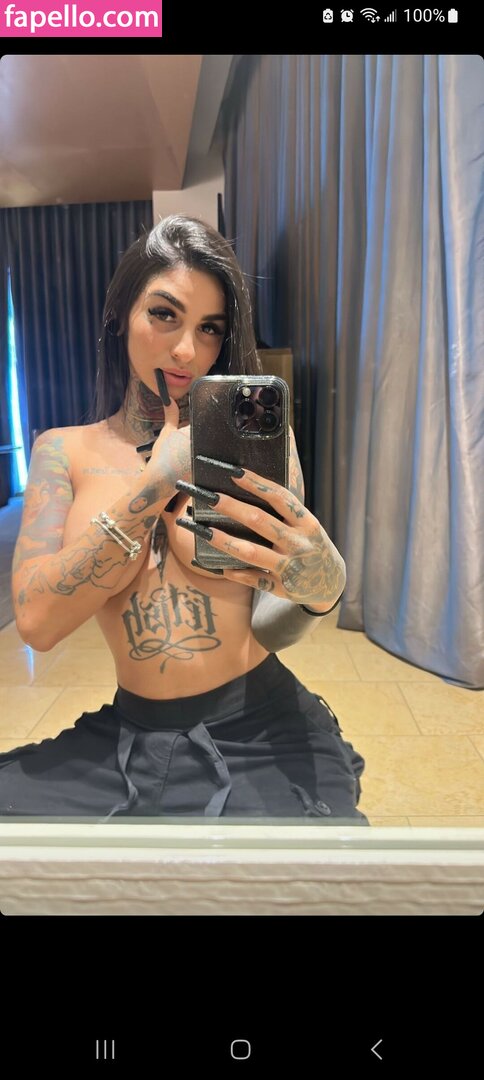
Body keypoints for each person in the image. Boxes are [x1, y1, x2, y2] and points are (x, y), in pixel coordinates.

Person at [2, 214, 367, 823]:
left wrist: (320, 594)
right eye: (164, 314)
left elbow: (274, 619)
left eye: (209, 329)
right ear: (119, 314)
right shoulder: (63, 452)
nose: (185, 351)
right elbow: (37, 624)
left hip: (260, 724)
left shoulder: (261, 445)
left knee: (311, 872)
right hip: (128, 734)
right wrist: (156, 482)